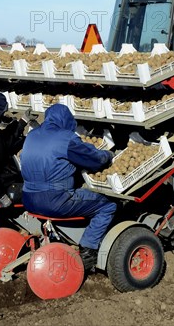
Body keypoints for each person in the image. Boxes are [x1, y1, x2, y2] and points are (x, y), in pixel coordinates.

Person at [20, 103, 116, 272]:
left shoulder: (32, 135)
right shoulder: (65, 138)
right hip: (54, 200)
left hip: (28, 198)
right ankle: (88, 251)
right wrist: (108, 155)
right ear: (67, 120)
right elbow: (93, 159)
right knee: (108, 205)